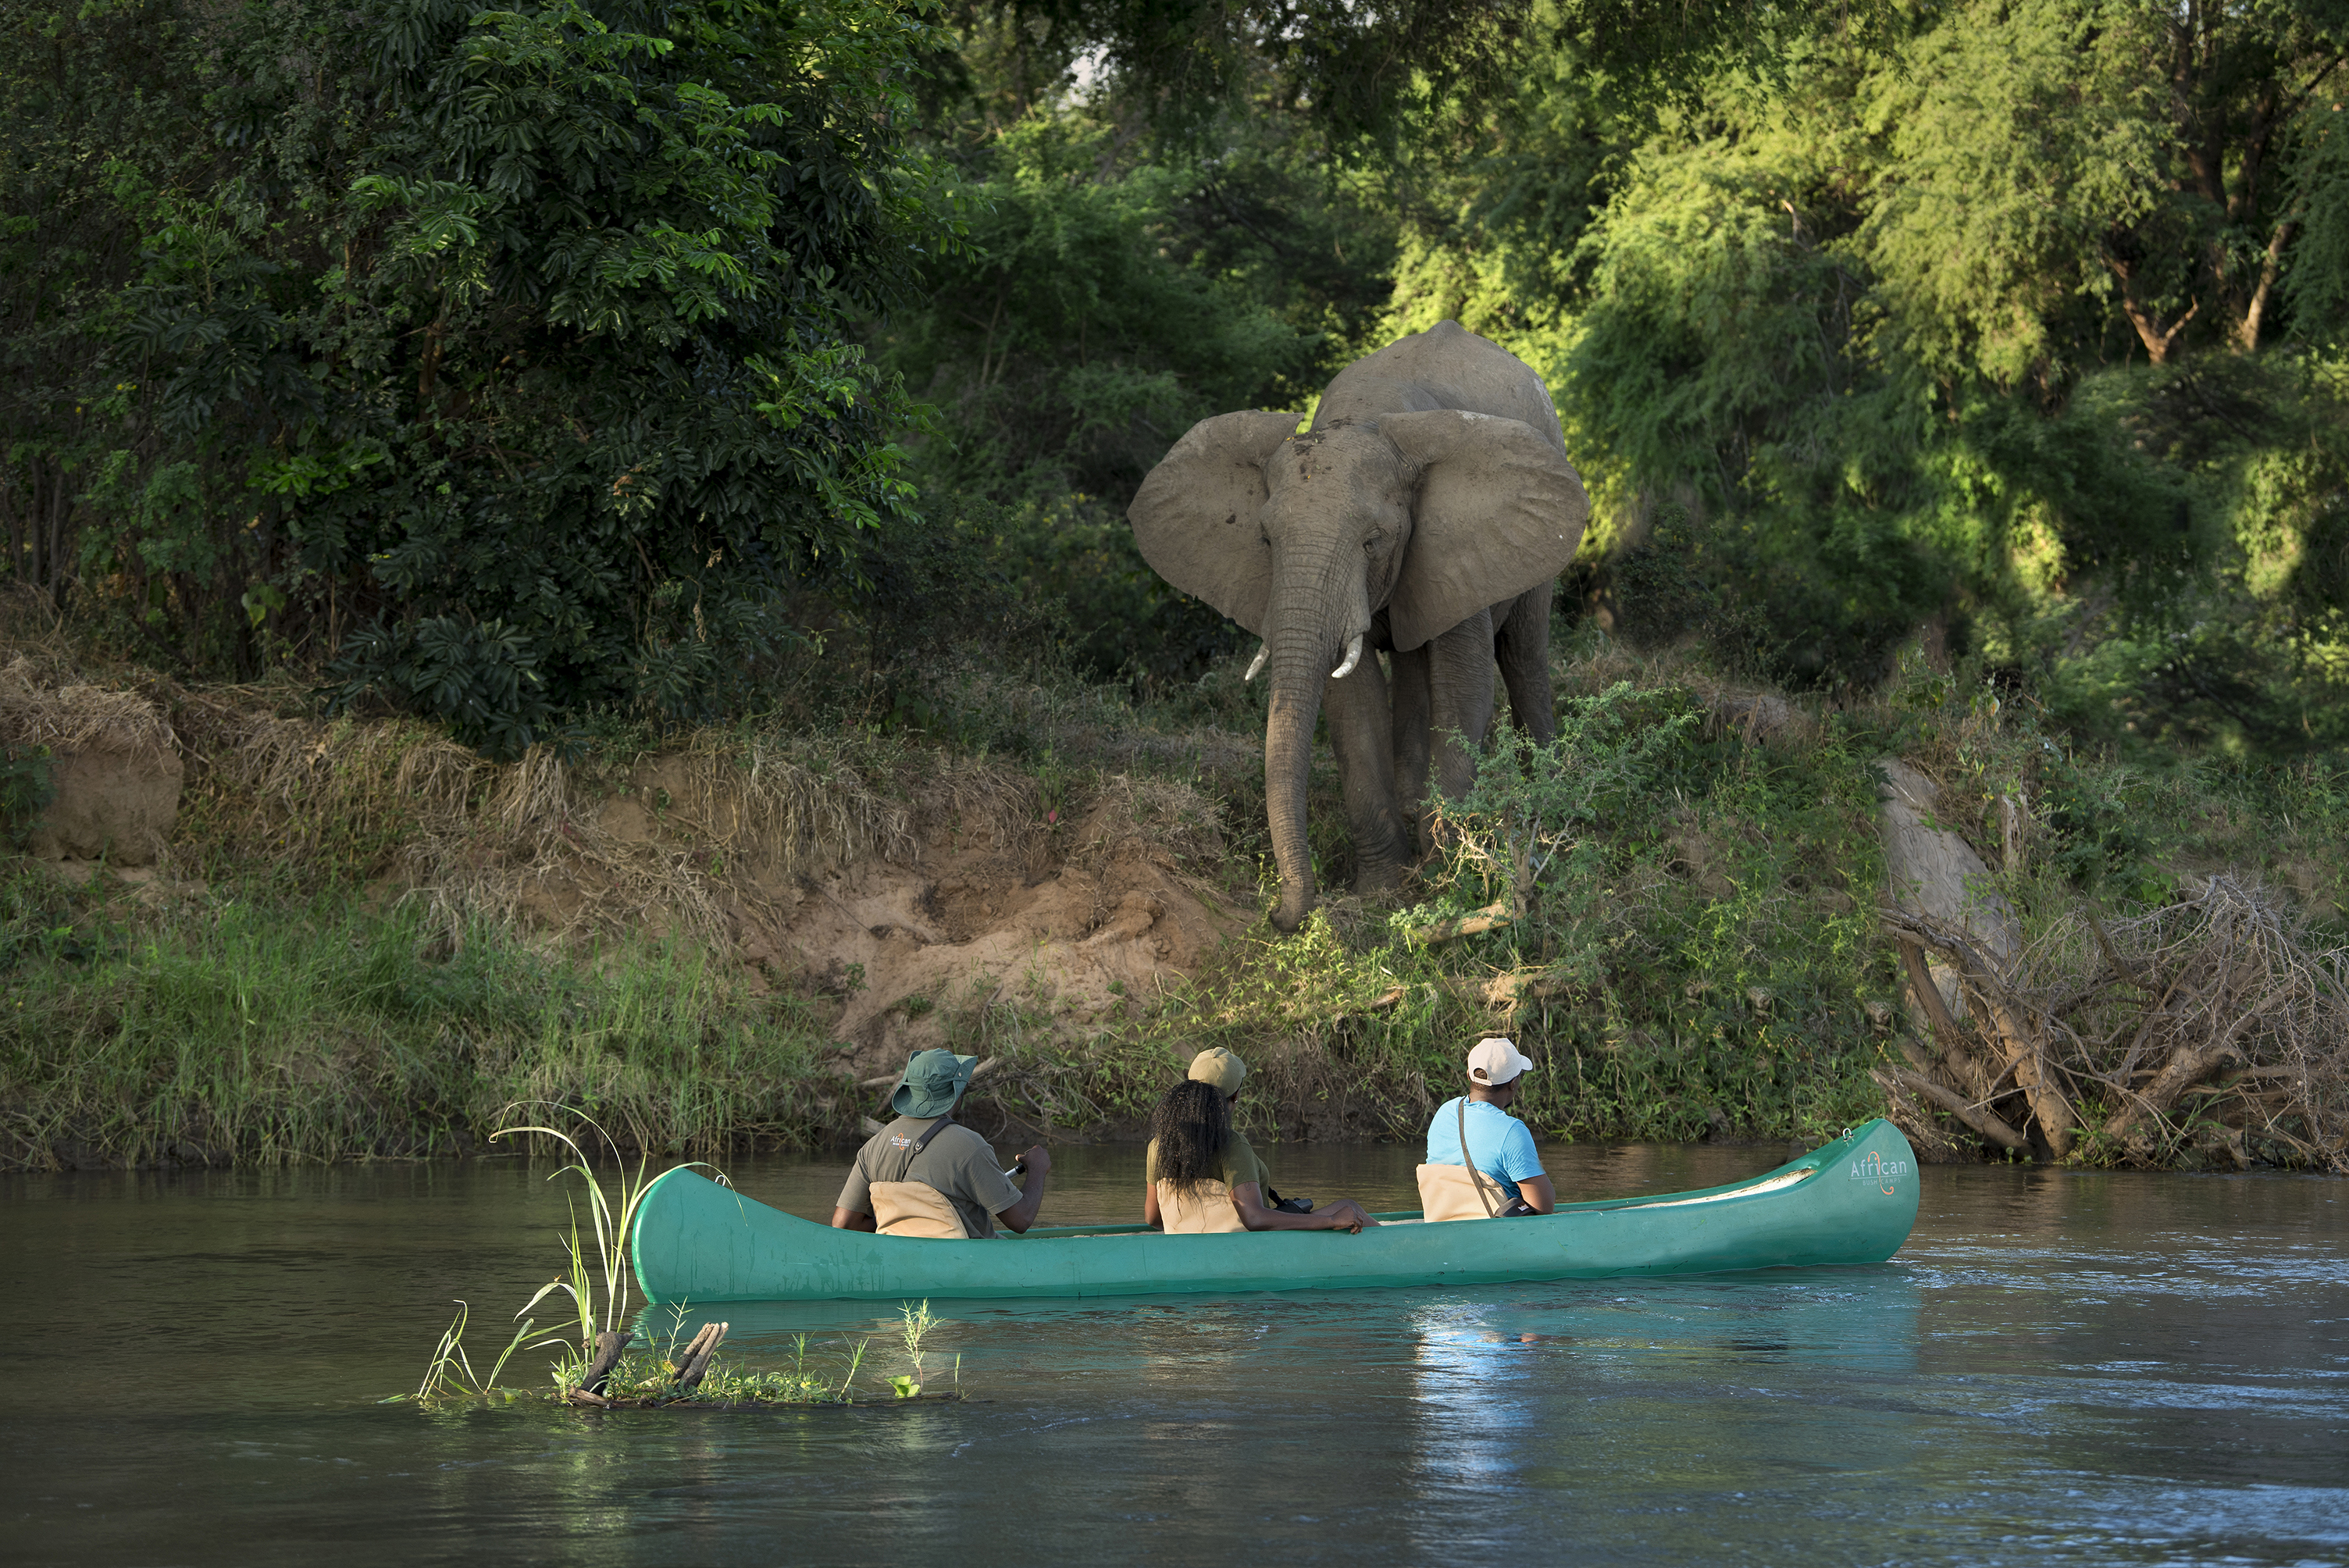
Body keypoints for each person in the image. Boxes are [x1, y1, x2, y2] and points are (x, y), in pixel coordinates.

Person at [1142, 1046, 1375, 1234]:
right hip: (1246, 1248)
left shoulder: (1158, 1145)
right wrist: (1331, 1221)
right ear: (1235, 1096)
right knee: (1350, 1208)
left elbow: (1153, 1218)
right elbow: (1254, 1219)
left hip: (1184, 1249)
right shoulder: (1232, 1145)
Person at [831, 1049, 1050, 1238]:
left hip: (902, 1261)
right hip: (968, 1263)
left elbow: (844, 1224)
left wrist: (908, 1219)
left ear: (910, 1090)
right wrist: (1038, 1170)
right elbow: (1020, 1221)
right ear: (957, 1092)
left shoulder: (874, 1145)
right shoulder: (970, 1146)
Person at [1417, 1037, 1556, 1221]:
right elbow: (1544, 1205)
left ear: (1469, 1075)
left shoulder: (1445, 1112)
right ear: (1513, 1083)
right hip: (1494, 1235)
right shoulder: (1512, 1131)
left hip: (1443, 1223)